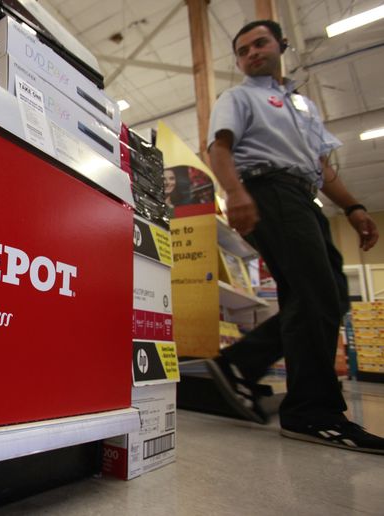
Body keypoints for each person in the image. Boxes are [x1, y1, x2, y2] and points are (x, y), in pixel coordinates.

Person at [206, 19, 383, 454]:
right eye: (243, 49)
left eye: (259, 43)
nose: (252, 53)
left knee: (331, 296)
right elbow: (219, 147)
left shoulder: (302, 107)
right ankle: (311, 410)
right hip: (269, 190)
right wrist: (234, 192)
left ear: (281, 45)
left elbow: (321, 169)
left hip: (304, 198)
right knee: (316, 293)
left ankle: (238, 364)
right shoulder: (239, 97)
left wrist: (354, 207)